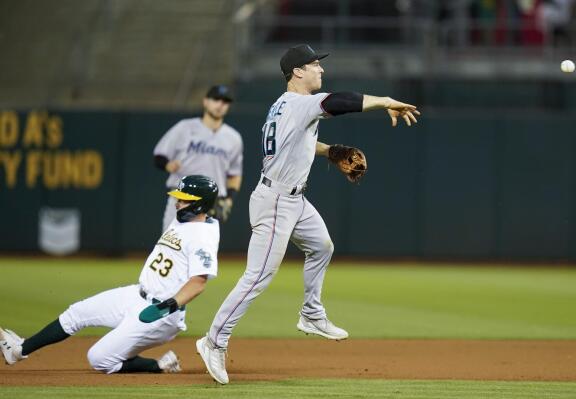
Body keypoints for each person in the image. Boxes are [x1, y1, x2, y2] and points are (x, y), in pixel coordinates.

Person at [195, 44, 420, 385]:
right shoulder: (301, 103)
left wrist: (330, 151)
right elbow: (338, 101)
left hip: (292, 198)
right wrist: (385, 101)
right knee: (257, 277)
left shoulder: (283, 107)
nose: (321, 70)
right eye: (315, 65)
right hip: (275, 202)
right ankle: (213, 341)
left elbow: (296, 141)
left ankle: (311, 314)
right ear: (297, 72)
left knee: (322, 246)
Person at [0, 175, 221, 374]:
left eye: (183, 199)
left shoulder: (203, 237)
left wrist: (166, 307)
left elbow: (198, 282)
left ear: (199, 204)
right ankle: (19, 350)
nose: (177, 202)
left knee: (98, 359)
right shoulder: (184, 220)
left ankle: (158, 365)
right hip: (137, 294)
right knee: (76, 313)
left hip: (161, 315)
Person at [154, 85, 244, 231]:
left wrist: (229, 200)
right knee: (170, 249)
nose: (220, 104)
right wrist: (168, 165)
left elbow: (234, 175)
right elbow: (159, 156)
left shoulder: (233, 138)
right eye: (216, 99)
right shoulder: (184, 128)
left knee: (203, 252)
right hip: (182, 200)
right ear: (205, 102)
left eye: (225, 101)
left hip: (211, 204)